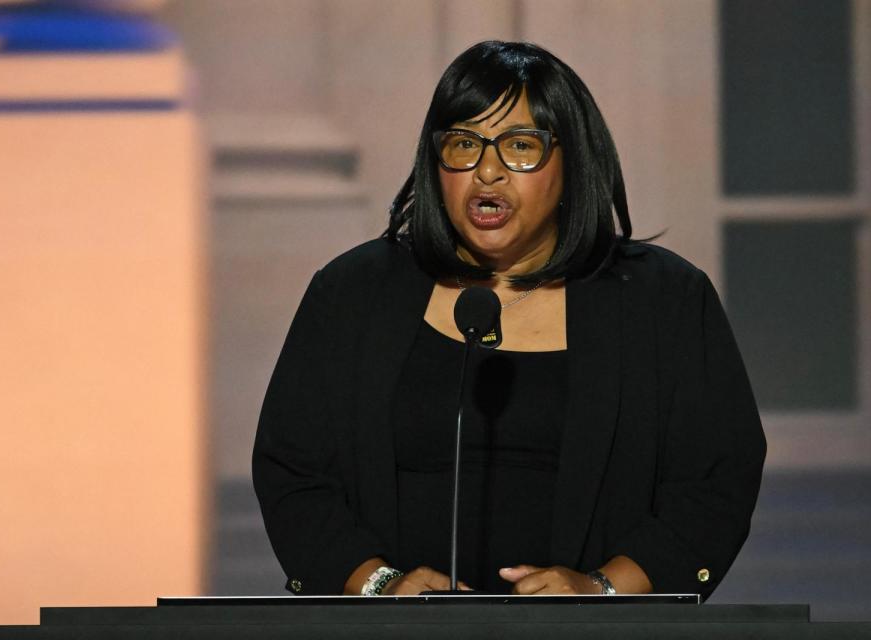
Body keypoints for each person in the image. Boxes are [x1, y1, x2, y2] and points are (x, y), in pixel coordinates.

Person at [252, 40, 766, 598]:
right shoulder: (354, 292)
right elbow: (294, 472)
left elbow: (716, 481)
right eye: (463, 145)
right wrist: (379, 586)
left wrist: (600, 591)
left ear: (572, 162)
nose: (488, 172)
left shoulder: (662, 300)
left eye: (520, 146)